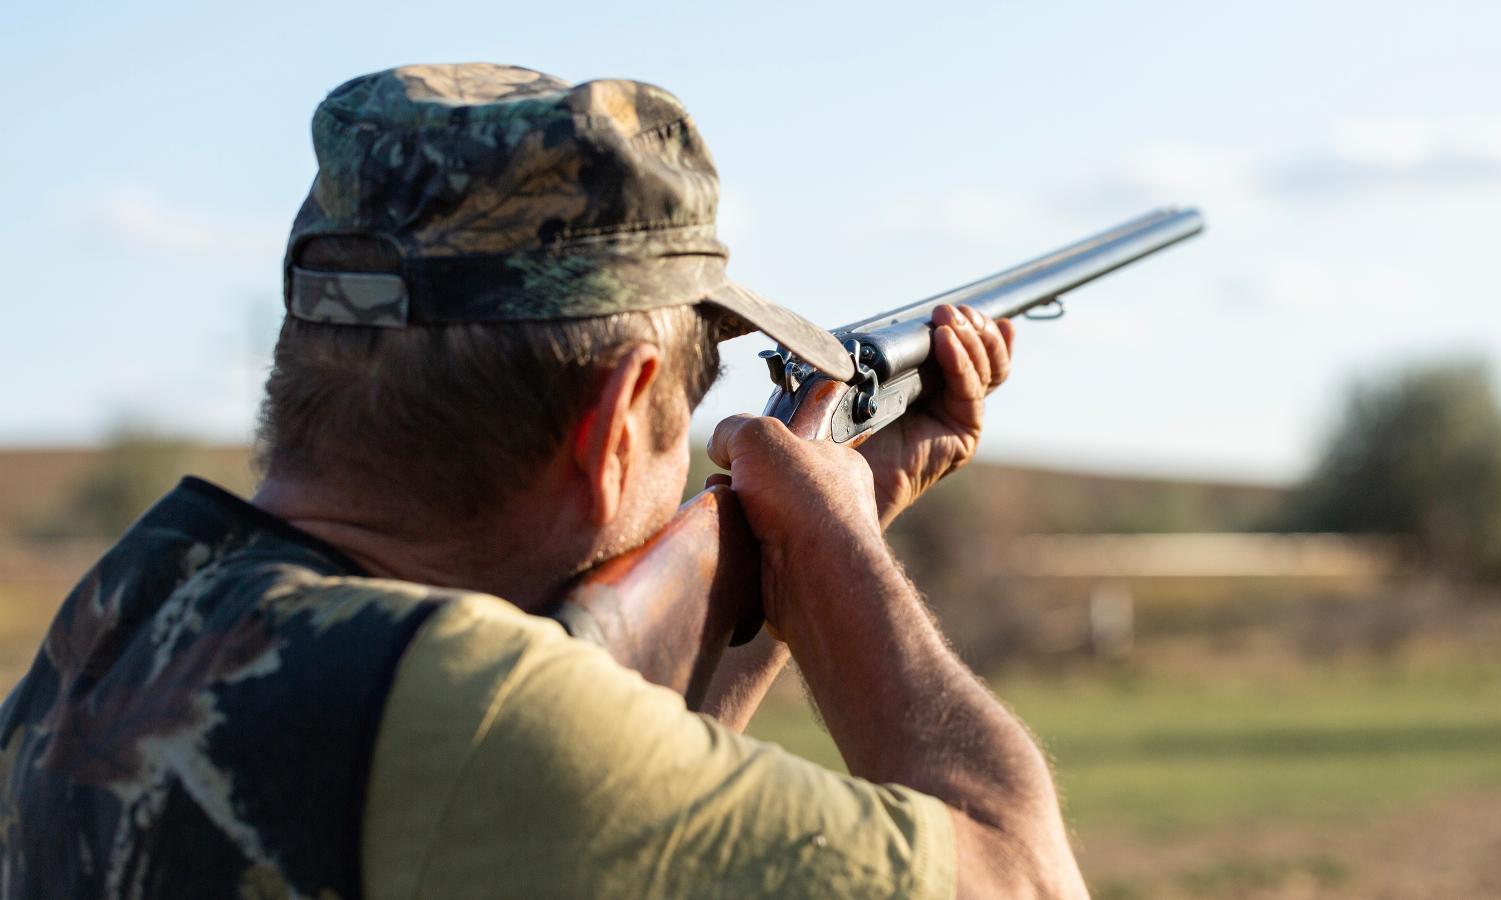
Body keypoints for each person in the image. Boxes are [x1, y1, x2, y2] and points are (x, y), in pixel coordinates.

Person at [0, 63, 1086, 899]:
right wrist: (842, 546)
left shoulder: (118, 621)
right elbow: (1023, 880)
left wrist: (789, 561)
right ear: (616, 423)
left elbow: (605, 760)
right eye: (687, 409)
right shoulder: (464, 710)